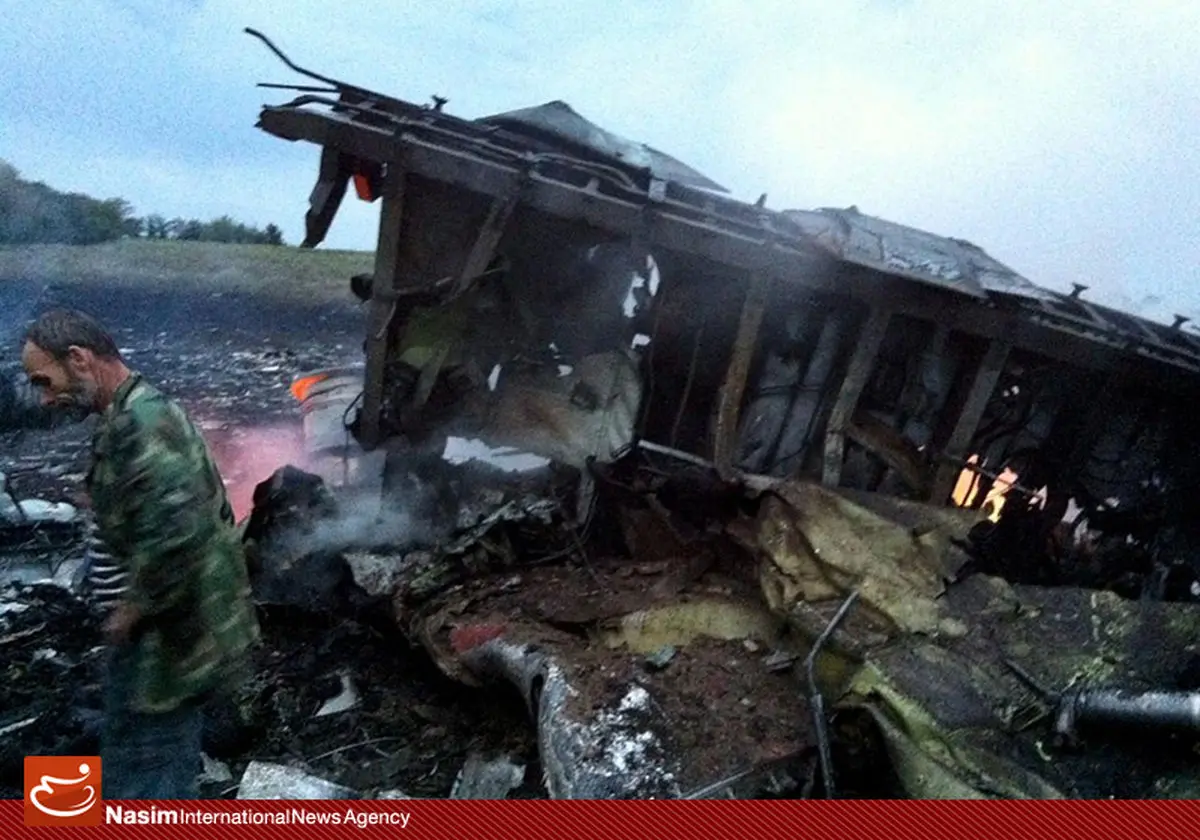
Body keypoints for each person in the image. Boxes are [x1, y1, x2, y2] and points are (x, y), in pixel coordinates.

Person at [21, 308, 260, 799]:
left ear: (79, 359)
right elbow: (159, 503)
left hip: (165, 642)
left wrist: (127, 614)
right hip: (156, 637)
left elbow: (178, 535)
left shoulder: (142, 423)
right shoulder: (130, 412)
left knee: (147, 779)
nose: (46, 400)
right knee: (133, 758)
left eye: (45, 382)